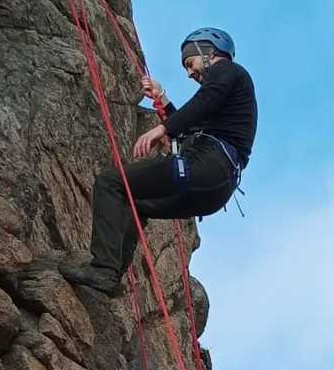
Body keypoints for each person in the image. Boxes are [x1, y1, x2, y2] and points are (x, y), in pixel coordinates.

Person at [60, 27, 258, 294]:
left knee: (111, 182)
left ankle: (102, 268)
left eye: (190, 63)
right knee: (136, 205)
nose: (190, 73)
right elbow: (194, 124)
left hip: (207, 166)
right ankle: (110, 275)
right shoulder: (226, 102)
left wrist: (163, 129)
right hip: (214, 188)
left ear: (208, 51)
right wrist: (162, 100)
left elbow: (203, 101)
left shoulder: (229, 72)